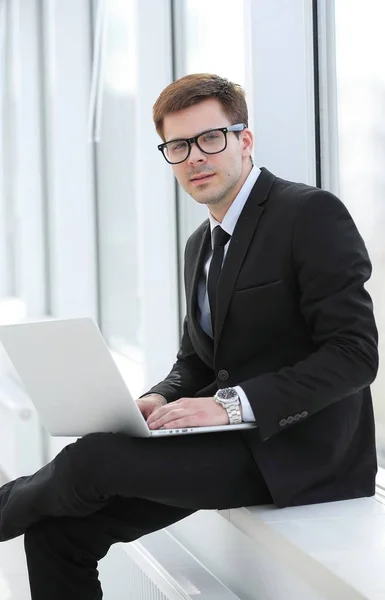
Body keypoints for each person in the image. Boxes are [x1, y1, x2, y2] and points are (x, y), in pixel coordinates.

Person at [0, 73, 379, 599]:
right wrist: (158, 398)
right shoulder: (200, 244)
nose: (195, 156)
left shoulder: (308, 213)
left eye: (210, 139)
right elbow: (196, 363)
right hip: (226, 447)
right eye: (178, 145)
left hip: (298, 452)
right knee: (57, 532)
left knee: (93, 460)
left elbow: (355, 354)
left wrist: (229, 405)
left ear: (244, 141)